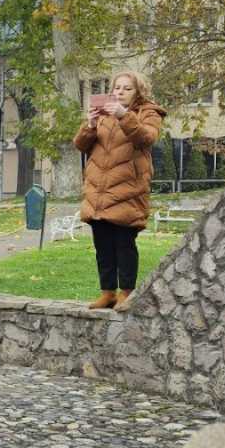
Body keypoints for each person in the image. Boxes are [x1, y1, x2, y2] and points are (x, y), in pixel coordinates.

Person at [75, 71, 165, 309]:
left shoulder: (148, 112)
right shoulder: (104, 114)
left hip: (127, 191)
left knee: (124, 245)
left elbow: (146, 138)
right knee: (103, 245)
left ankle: (126, 292)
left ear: (138, 92)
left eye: (127, 88)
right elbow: (80, 145)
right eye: (117, 88)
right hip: (99, 191)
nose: (120, 92)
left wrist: (125, 116)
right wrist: (91, 125)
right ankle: (107, 292)